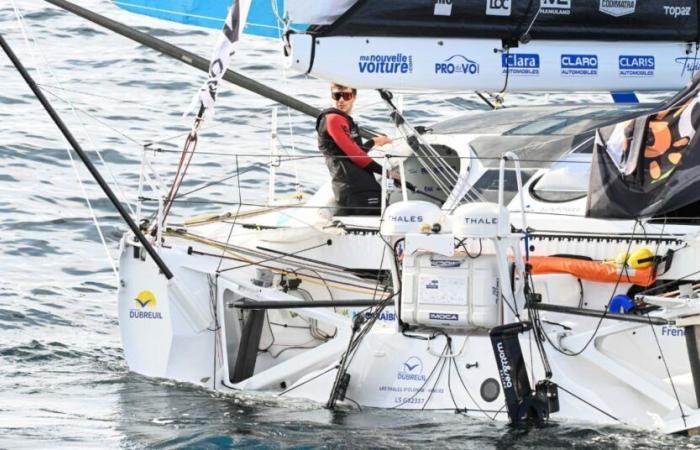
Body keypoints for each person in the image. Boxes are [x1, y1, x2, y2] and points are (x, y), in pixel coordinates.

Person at [316, 83, 399, 216]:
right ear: (332, 97)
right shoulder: (333, 119)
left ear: (354, 97)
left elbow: (354, 151)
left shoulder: (345, 120)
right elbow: (356, 156)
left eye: (346, 95)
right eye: (337, 96)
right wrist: (386, 173)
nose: (341, 100)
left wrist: (374, 141)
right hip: (352, 187)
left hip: (360, 184)